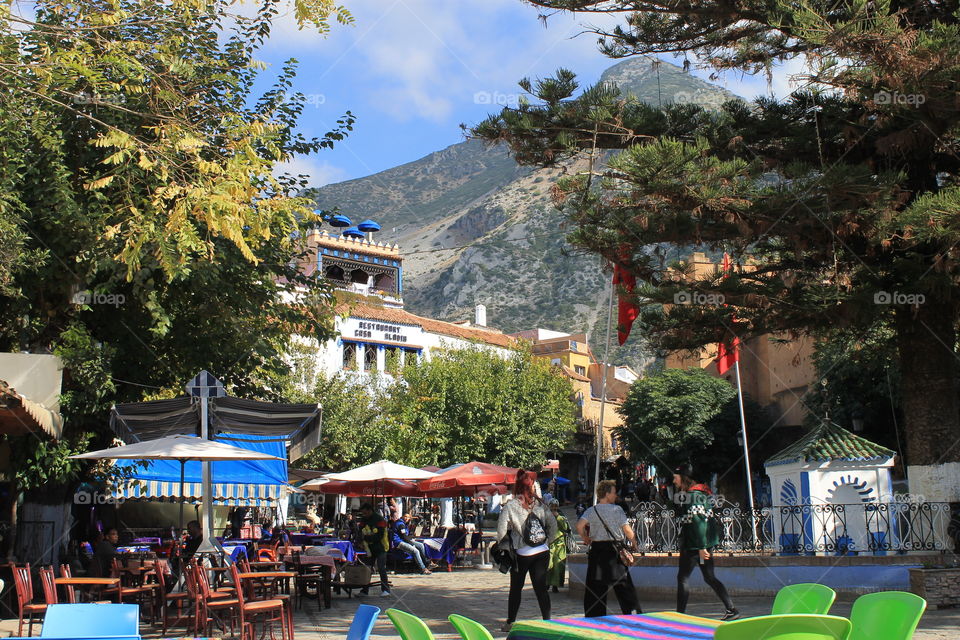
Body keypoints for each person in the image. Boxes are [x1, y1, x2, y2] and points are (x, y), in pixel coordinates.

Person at [673, 463, 739, 620]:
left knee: (683, 578)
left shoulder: (692, 496)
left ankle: (679, 615)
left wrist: (701, 547)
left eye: (675, 478)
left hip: (694, 546)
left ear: (683, 478)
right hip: (702, 545)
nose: (674, 481)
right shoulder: (700, 494)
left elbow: (698, 522)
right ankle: (731, 609)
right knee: (709, 577)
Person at [496, 469, 557, 632]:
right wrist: (547, 541)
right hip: (542, 551)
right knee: (541, 589)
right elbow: (553, 525)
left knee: (516, 588)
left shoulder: (511, 506)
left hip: (521, 552)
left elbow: (501, 532)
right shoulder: (540, 504)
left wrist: (505, 547)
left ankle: (510, 622)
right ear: (532, 487)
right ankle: (548, 621)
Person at [577, 479, 640, 617]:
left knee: (596, 586)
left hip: (597, 550)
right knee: (623, 584)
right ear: (606, 494)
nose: (615, 495)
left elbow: (579, 526)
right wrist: (634, 542)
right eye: (613, 492)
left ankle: (595, 616)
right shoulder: (617, 510)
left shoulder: (591, 510)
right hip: (614, 550)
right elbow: (627, 530)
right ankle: (632, 613)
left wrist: (585, 538)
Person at [358, 503, 391, 597]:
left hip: (381, 547)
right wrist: (360, 540)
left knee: (381, 568)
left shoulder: (379, 519)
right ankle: (364, 590)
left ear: (370, 510)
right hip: (369, 548)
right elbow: (360, 530)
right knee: (368, 569)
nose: (364, 515)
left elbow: (380, 535)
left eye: (365, 513)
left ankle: (385, 589)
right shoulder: (364, 519)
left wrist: (366, 538)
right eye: (363, 513)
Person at [546, 499, 570, 593]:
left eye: (555, 506)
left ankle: (555, 585)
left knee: (558, 565)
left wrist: (558, 517)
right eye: (552, 506)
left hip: (560, 544)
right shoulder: (545, 515)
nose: (554, 508)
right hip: (549, 544)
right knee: (548, 564)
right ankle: (547, 583)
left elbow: (565, 528)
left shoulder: (561, 516)